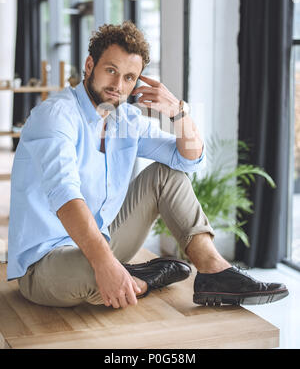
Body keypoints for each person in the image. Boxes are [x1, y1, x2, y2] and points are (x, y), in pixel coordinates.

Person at [7, 21, 288, 309]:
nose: (118, 86)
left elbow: (187, 160)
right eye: (111, 70)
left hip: (101, 240)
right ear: (90, 65)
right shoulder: (56, 116)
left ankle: (215, 271)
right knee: (99, 278)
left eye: (129, 77)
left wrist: (178, 113)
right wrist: (106, 264)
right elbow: (65, 195)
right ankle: (134, 277)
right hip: (43, 265)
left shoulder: (125, 121)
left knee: (167, 175)